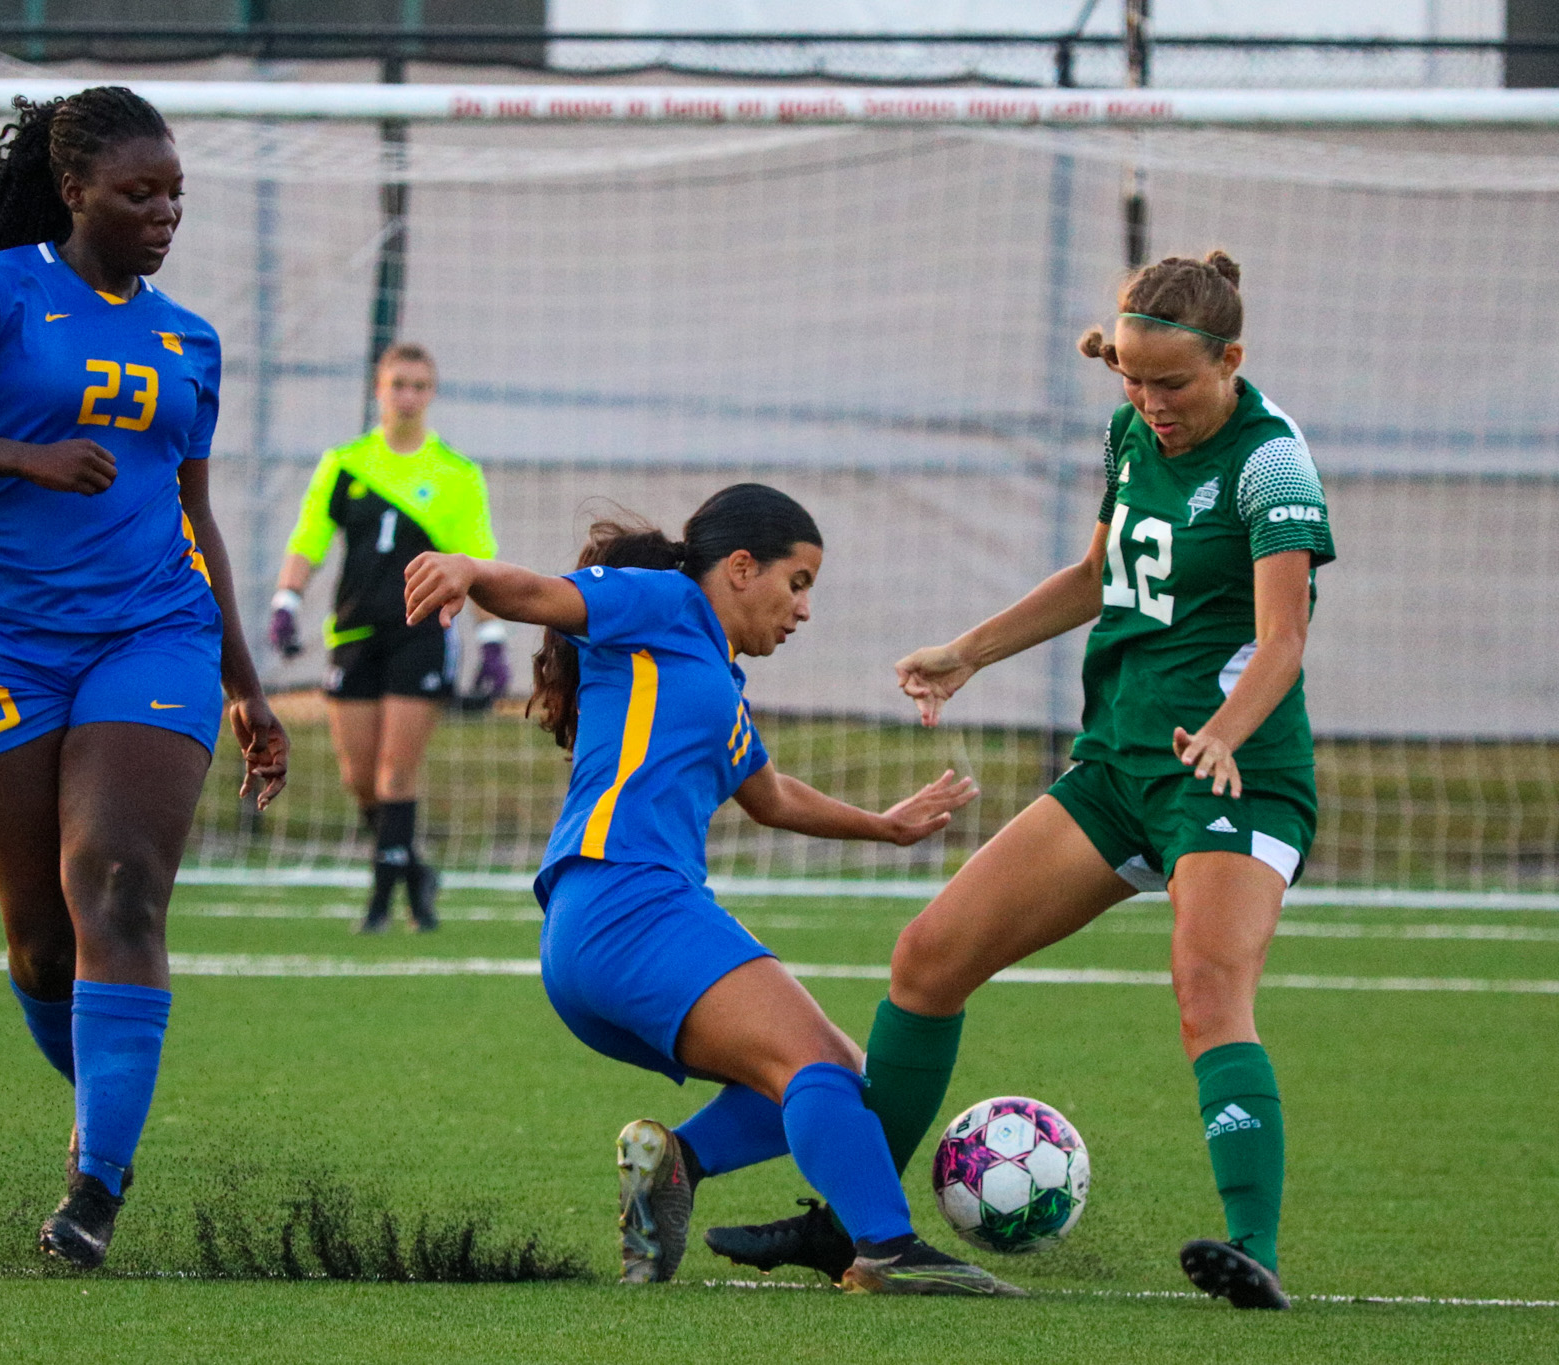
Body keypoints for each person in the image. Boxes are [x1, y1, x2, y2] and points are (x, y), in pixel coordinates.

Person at [707, 252, 1333, 1311]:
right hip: (1118, 768)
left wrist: (1224, 735)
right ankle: (852, 1229)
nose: (1148, 403)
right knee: (927, 957)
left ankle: (1252, 1253)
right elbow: (1098, 576)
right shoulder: (1133, 432)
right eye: (1131, 381)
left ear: (1230, 360)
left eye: (1171, 383)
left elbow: (1282, 640)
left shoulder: (1270, 466)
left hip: (1230, 777)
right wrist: (970, 652)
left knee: (1206, 995)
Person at [0, 87, 289, 1270]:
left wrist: (246, 685)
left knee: (116, 881)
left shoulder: (189, 339)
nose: (163, 214)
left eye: (175, 194)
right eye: (140, 193)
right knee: (44, 943)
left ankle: (96, 1184)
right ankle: (104, 1099)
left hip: (153, 635)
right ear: (77, 189)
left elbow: (194, 514)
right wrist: (23, 458)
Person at [402, 484, 1020, 1296]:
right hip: (629, 905)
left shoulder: (717, 680)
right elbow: (542, 594)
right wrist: (468, 568)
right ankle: (887, 1250)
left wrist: (885, 825)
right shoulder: (662, 603)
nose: (802, 610)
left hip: (605, 927)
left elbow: (770, 796)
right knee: (815, 1068)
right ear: (738, 568)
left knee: (839, 1072)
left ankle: (676, 1164)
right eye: (797, 583)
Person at [269, 343, 506, 932]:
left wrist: (494, 639)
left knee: (396, 772)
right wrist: (286, 599)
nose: (408, 396)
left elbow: (477, 562)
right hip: (352, 633)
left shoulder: (456, 473)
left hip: (420, 635)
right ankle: (415, 870)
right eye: (398, 384)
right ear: (378, 390)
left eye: (420, 386)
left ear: (432, 394)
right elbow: (309, 539)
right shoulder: (344, 465)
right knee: (359, 777)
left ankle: (383, 905)